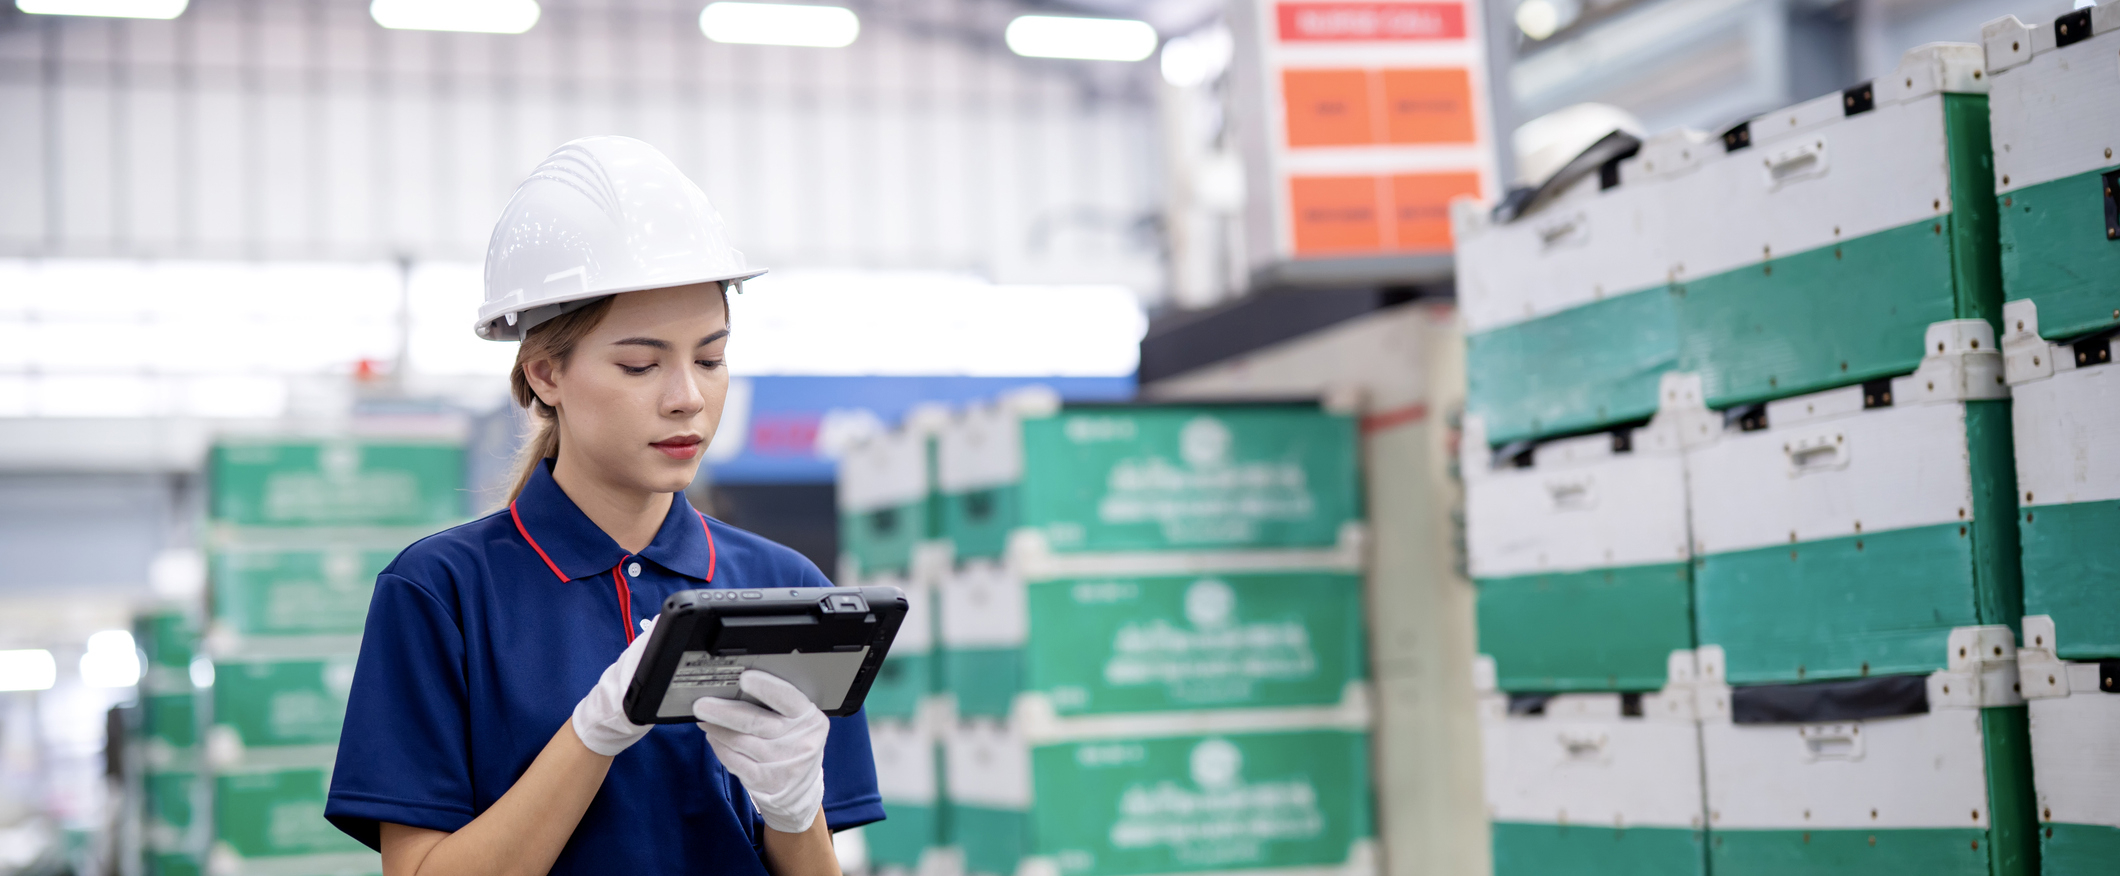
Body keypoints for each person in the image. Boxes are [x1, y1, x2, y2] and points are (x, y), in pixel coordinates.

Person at [324, 136, 881, 876]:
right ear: (545, 373)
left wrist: (793, 808)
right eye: (640, 364)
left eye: (711, 358)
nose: (688, 397)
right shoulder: (442, 592)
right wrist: (593, 733)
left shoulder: (787, 591)